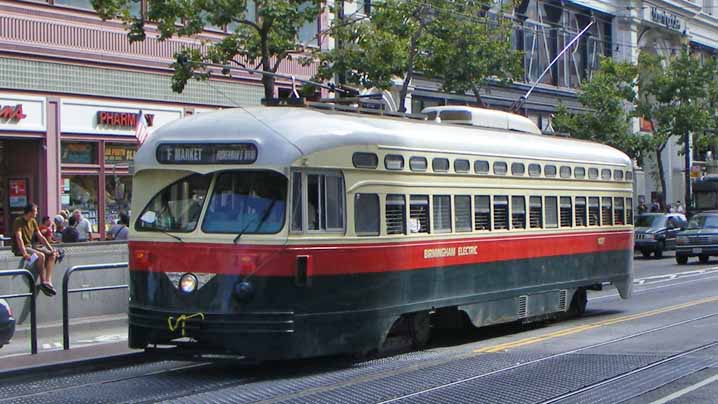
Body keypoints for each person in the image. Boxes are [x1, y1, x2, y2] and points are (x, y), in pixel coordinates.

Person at [11, 203, 58, 297]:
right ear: (30, 212)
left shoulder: (33, 221)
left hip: (30, 246)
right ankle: (43, 281)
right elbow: (19, 238)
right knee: (41, 256)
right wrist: (24, 254)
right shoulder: (18, 221)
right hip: (20, 248)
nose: (37, 213)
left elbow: (41, 237)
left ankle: (48, 281)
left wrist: (51, 248)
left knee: (52, 254)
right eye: (35, 211)